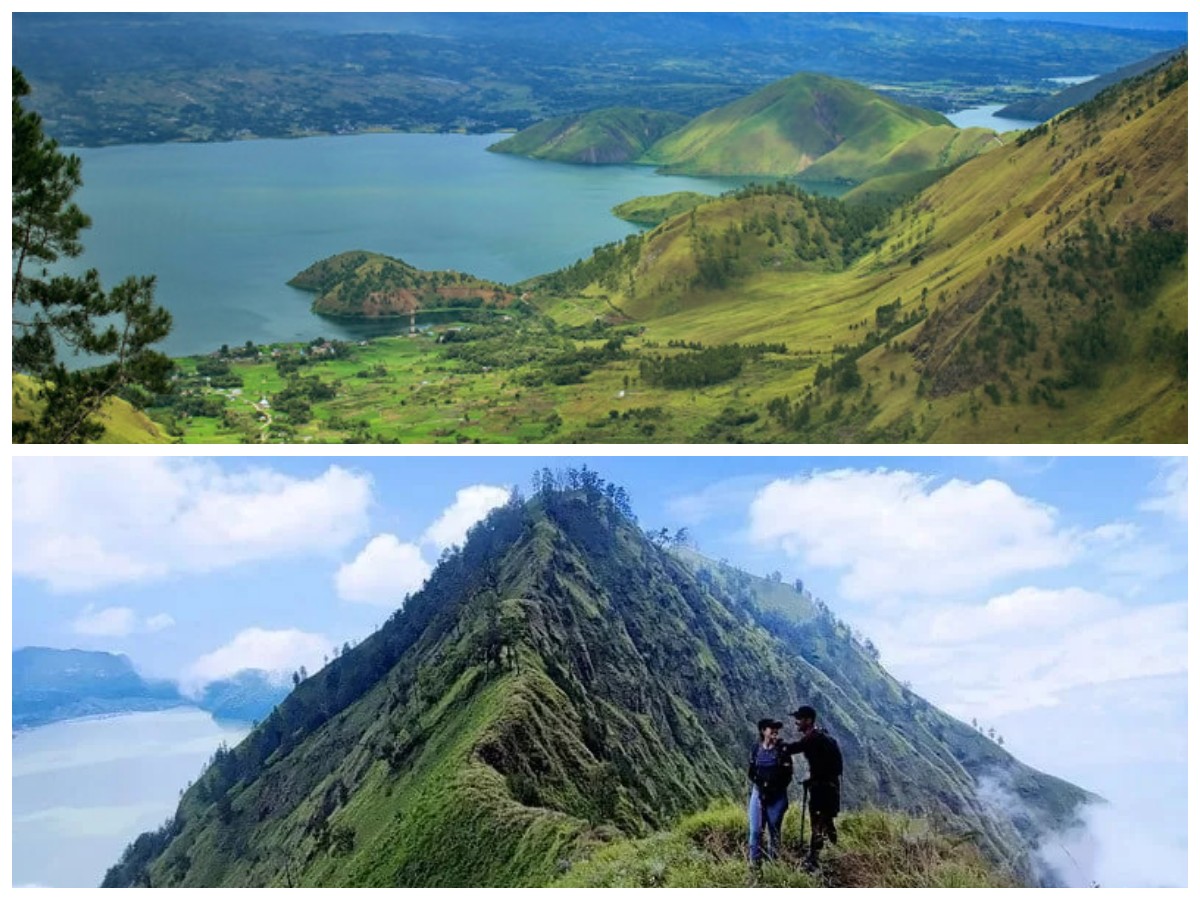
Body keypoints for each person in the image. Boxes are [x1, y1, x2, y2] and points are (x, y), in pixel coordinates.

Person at [781, 705, 842, 871]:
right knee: (826, 821)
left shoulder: (812, 739)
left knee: (817, 823)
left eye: (799, 719)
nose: (796, 722)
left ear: (808, 720)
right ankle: (836, 852)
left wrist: (779, 746)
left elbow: (794, 748)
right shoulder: (822, 736)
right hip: (831, 788)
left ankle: (813, 861)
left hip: (822, 790)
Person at [746, 717, 793, 875]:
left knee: (774, 829)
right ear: (762, 731)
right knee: (755, 830)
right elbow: (751, 772)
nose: (775, 731)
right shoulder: (756, 749)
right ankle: (754, 867)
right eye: (771, 728)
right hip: (758, 793)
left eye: (776, 728)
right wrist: (761, 784)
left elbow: (788, 775)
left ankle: (774, 866)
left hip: (777, 796)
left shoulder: (782, 750)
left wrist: (772, 787)